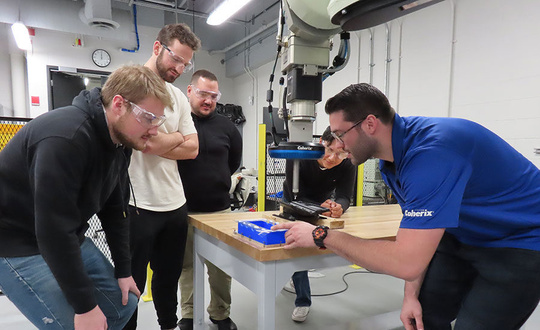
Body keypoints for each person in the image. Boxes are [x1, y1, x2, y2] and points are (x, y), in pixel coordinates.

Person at [272, 83, 540, 330]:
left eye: (341, 134)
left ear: (369, 124)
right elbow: (414, 238)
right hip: (461, 234)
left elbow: (406, 262)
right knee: (425, 316)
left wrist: (322, 236)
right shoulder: (390, 162)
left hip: (520, 241)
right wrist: (411, 296)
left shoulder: (431, 154)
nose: (337, 145)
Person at [0, 64, 172, 329]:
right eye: (148, 117)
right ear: (118, 104)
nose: (154, 130)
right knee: (77, 323)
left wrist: (124, 271)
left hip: (67, 235)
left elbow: (115, 210)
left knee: (123, 305)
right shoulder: (65, 138)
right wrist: (85, 307)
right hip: (15, 243)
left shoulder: (119, 142)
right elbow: (52, 230)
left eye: (157, 120)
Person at [124, 23, 201, 330]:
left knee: (168, 280)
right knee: (131, 284)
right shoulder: (129, 86)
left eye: (186, 63)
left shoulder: (178, 96)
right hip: (136, 204)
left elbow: (192, 148)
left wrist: (157, 141)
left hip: (174, 205)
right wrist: (176, 138)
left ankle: (168, 326)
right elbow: (139, 141)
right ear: (157, 48)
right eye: (176, 59)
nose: (180, 68)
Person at [177, 69, 242, 330]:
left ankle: (220, 314)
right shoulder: (178, 122)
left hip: (219, 211)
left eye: (214, 96)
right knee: (187, 267)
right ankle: (189, 315)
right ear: (190, 91)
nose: (209, 100)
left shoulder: (227, 127)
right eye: (203, 93)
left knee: (221, 268)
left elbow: (233, 162)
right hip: (183, 210)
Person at [282, 126, 355, 323]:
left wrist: (339, 206)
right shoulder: (298, 157)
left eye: (340, 154)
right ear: (321, 142)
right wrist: (318, 206)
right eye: (329, 150)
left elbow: (345, 195)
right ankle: (303, 301)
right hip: (293, 202)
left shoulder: (348, 164)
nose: (332, 158)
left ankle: (294, 278)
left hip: (321, 207)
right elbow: (297, 194)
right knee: (298, 249)